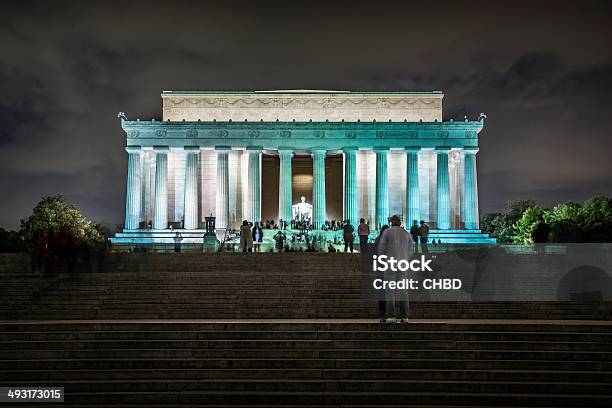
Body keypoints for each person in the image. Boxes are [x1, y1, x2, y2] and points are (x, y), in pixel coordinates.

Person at [378, 215, 413, 323]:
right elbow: (411, 249)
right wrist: (405, 258)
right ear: (400, 222)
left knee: (390, 291)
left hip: (390, 264)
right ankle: (404, 316)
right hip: (402, 264)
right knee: (403, 291)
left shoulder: (387, 232)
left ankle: (391, 316)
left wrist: (384, 260)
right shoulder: (406, 233)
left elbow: (381, 249)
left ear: (391, 222)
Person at [373, 225, 389, 322]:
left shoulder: (377, 239)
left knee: (382, 293)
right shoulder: (390, 241)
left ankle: (382, 314)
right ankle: (392, 314)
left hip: (380, 268)